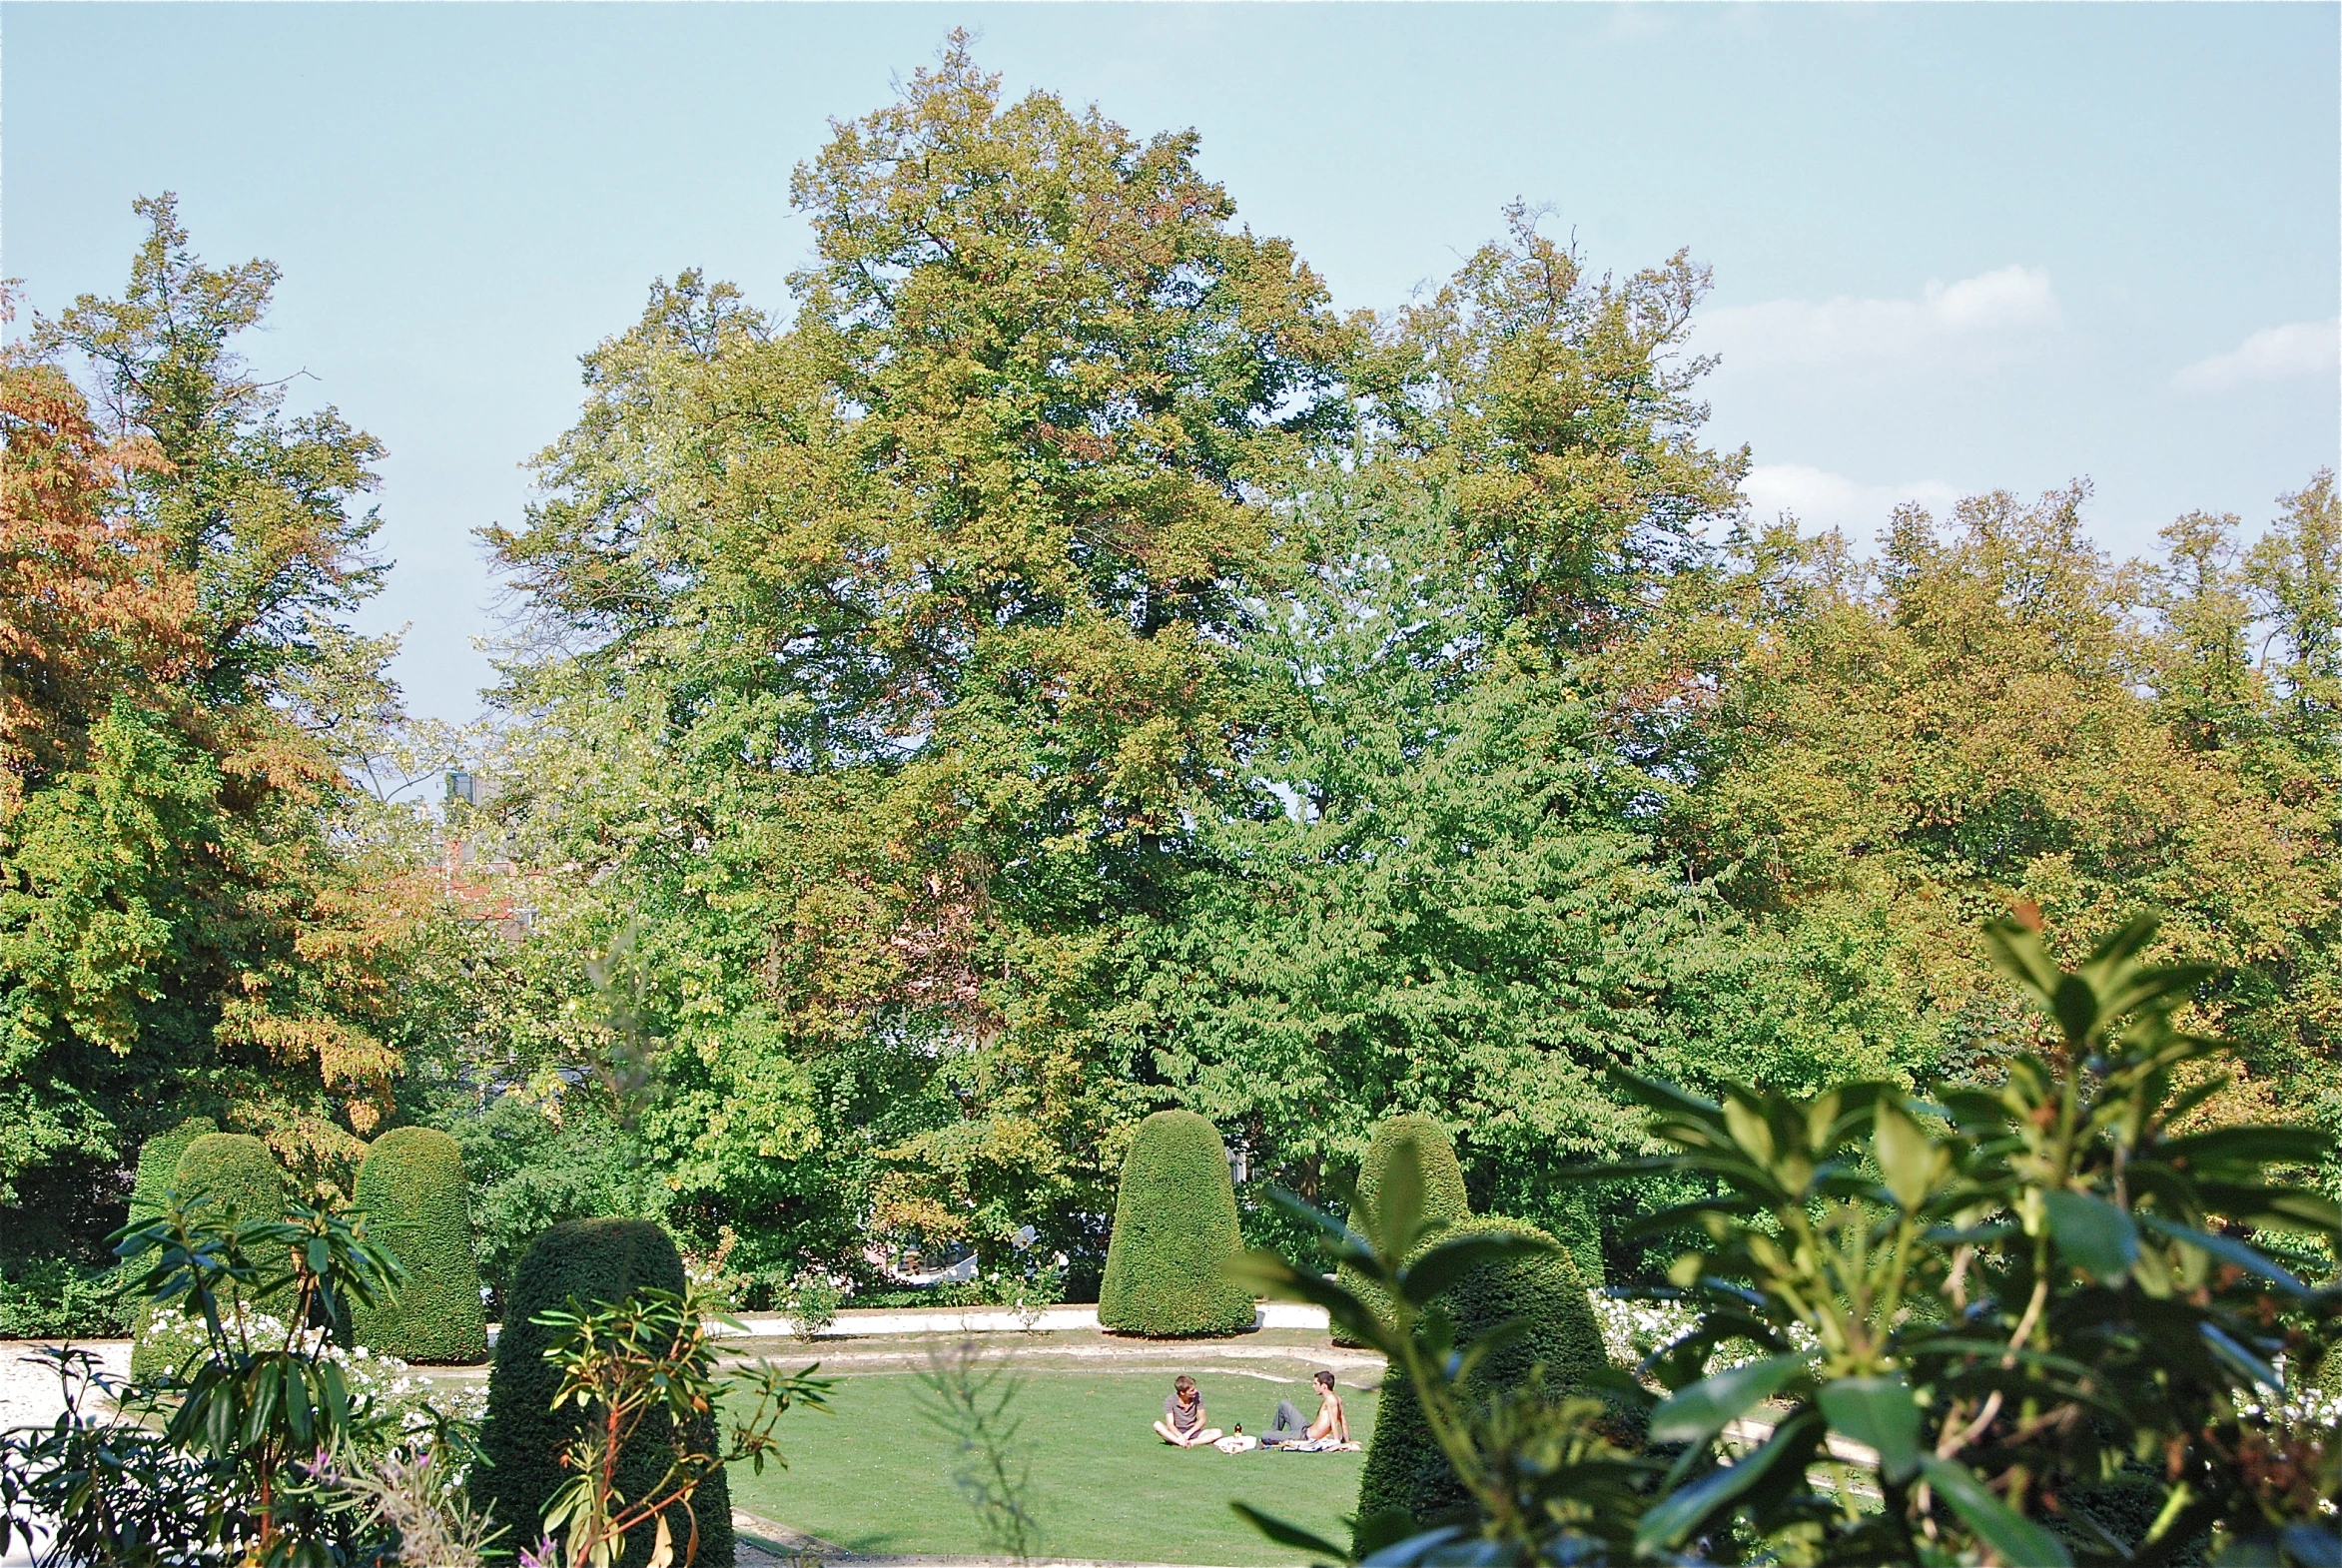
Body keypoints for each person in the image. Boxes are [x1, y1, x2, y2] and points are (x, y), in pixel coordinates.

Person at [1262, 1369, 1348, 1446]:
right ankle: (1275, 1434)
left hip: (1304, 1437)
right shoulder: (1337, 1398)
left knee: (1265, 1435)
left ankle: (1272, 1437)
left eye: (1316, 1384)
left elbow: (1335, 1422)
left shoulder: (1331, 1399)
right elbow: (1343, 1421)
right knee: (1284, 1404)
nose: (1313, 1386)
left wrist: (1337, 1442)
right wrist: (1347, 1441)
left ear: (1324, 1386)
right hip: (1305, 1428)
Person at [1154, 1374, 1221, 1447]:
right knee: (1157, 1425)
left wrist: (1187, 1434)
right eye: (1192, 1390)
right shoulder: (1170, 1400)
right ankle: (1179, 1441)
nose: (1195, 1391)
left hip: (1193, 1431)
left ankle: (1191, 1442)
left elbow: (1202, 1419)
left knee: (1218, 1432)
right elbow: (1170, 1424)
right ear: (1182, 1393)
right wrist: (1180, 1436)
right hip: (1175, 1432)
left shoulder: (1198, 1396)